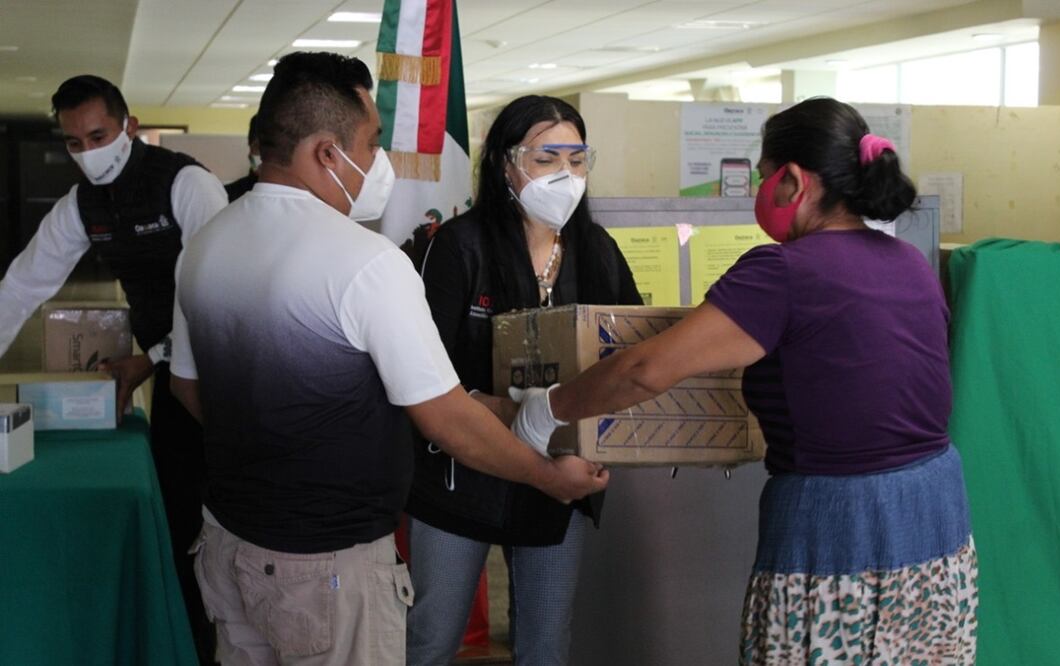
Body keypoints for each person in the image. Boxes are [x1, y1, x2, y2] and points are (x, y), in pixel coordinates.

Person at [168, 53, 607, 666]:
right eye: (372, 143)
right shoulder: (365, 262)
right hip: (329, 567)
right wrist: (546, 477)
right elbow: (447, 419)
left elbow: (189, 389)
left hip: (228, 539)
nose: (380, 163)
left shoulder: (205, 245)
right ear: (327, 152)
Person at [514, 97, 978, 664]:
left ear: (794, 181)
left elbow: (643, 371)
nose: (759, 191)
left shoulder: (784, 271)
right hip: (936, 517)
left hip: (840, 523)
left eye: (763, 176)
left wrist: (546, 409)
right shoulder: (909, 261)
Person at [406, 95, 642, 666]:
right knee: (432, 637)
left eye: (577, 159)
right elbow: (422, 374)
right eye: (545, 158)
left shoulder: (597, 250)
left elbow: (631, 355)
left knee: (545, 643)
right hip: (460, 472)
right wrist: (509, 413)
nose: (565, 174)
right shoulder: (460, 246)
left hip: (559, 480)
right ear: (505, 165)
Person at [0, 74, 227, 664]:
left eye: (98, 135)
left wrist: (148, 361)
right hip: (169, 373)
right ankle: (183, 643)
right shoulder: (81, 205)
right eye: (74, 143)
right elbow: (21, 287)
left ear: (128, 127)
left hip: (227, 371)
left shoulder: (188, 184)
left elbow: (215, 296)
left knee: (224, 509)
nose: (88, 153)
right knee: (176, 512)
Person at [224, 114, 260, 201]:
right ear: (251, 148)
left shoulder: (295, 198)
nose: (268, 157)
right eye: (259, 148)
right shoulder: (226, 195)